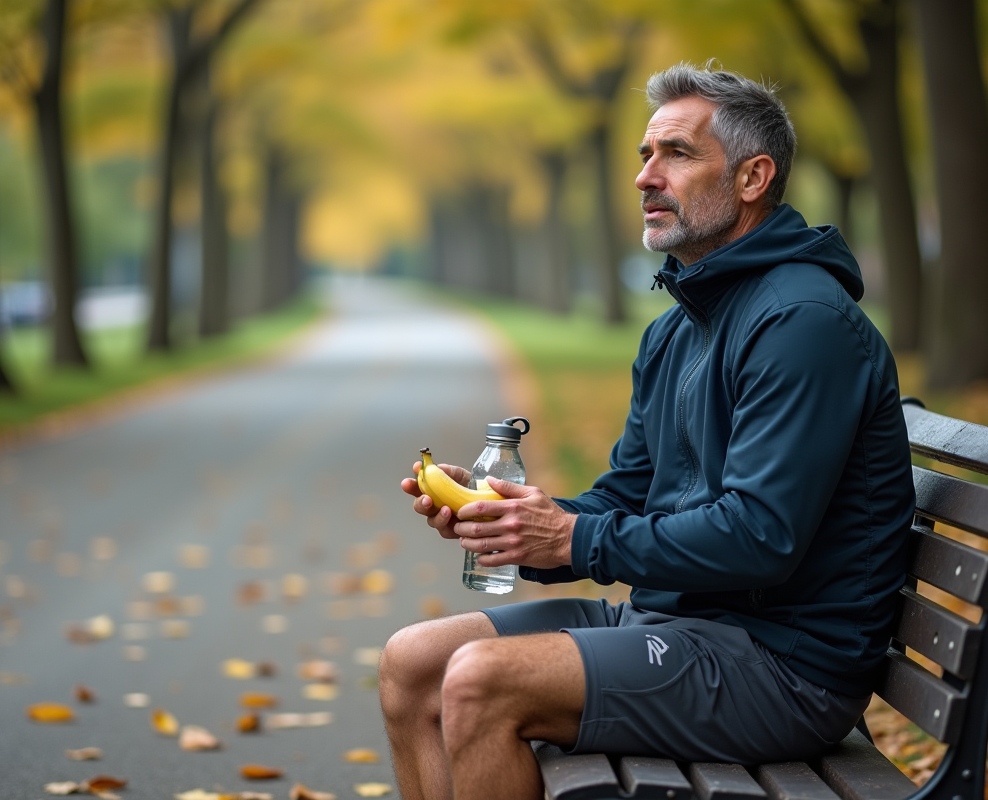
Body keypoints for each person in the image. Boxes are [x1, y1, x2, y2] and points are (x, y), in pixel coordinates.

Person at [382, 61, 916, 800]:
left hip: (782, 666)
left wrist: (572, 540)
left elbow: (760, 534)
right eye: (644, 156)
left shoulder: (803, 323)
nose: (645, 177)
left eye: (677, 153)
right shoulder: (677, 332)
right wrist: (516, 525)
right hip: (680, 619)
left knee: (479, 680)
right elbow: (625, 496)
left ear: (753, 177)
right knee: (415, 662)